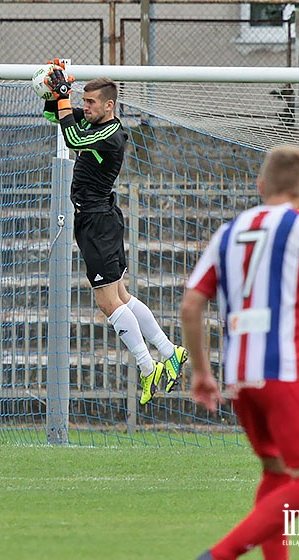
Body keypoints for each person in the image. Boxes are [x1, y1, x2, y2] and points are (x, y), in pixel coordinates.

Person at [182, 146, 299, 560]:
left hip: (239, 375)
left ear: (260, 186)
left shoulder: (229, 231)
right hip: (285, 370)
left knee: (276, 472)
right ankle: (218, 555)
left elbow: (190, 305)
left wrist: (202, 373)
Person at [42, 60, 187, 404]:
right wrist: (54, 96)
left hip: (98, 222)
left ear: (109, 105)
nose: (85, 107)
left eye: (90, 103)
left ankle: (147, 366)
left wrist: (64, 98)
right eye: (84, 101)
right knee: (121, 296)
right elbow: (55, 118)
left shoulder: (111, 133)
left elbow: (73, 137)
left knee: (108, 302)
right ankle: (169, 351)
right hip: (98, 219)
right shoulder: (96, 124)